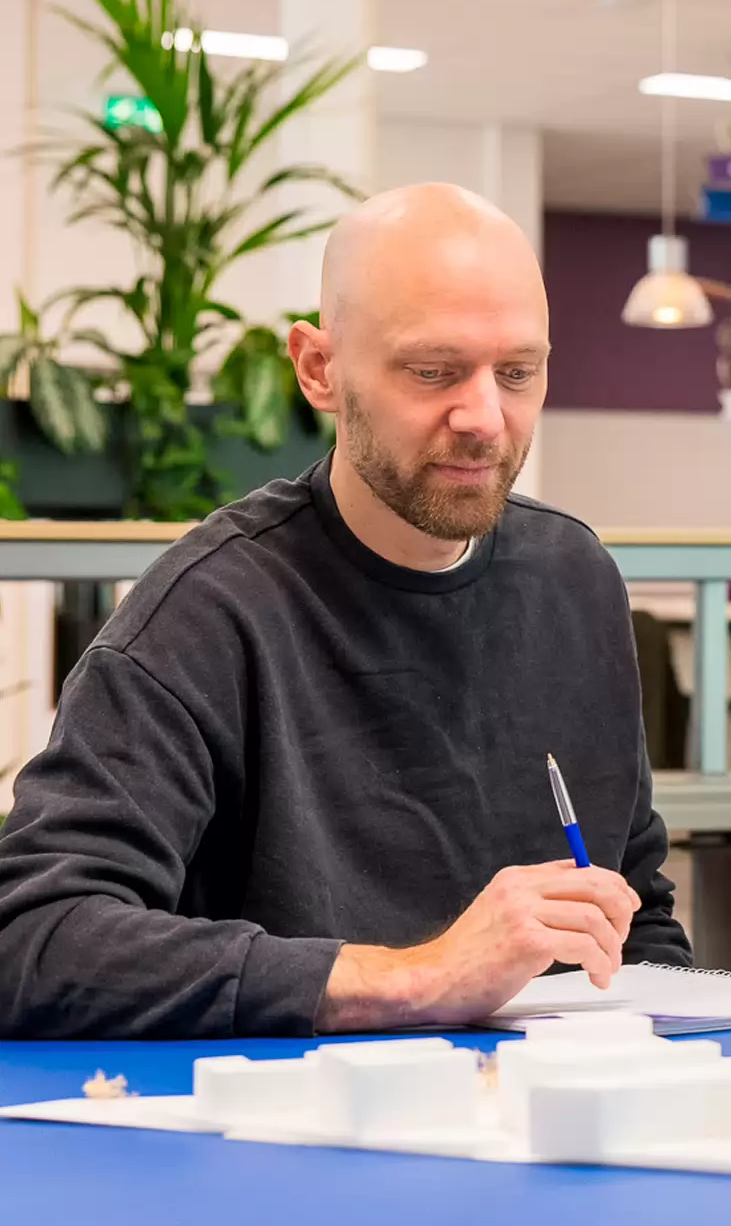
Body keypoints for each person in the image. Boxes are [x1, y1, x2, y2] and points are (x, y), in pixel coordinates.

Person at [0, 184, 689, 1039]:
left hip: (547, 1116)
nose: (484, 418)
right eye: (432, 372)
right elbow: (34, 939)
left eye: (518, 373)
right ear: (319, 368)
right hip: (290, 1129)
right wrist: (418, 978)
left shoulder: (573, 578)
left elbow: (638, 912)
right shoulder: (208, 613)